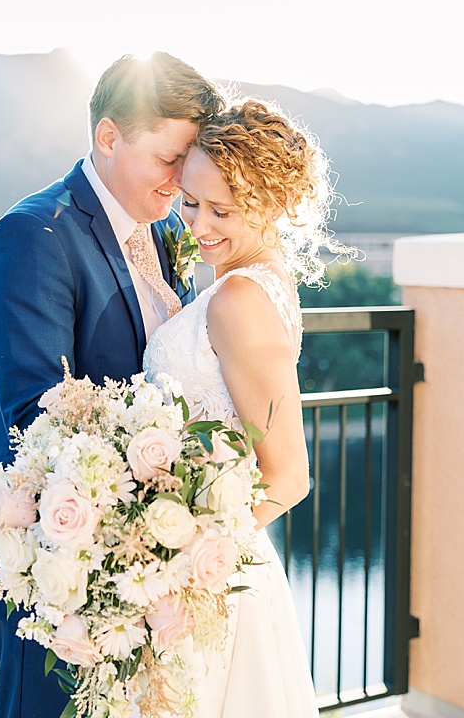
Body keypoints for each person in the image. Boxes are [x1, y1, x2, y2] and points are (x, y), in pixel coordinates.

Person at [0, 53, 225, 718]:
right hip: (52, 565)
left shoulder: (173, 230)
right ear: (108, 137)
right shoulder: (33, 234)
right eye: (169, 157)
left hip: (146, 563)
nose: (181, 179)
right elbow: (39, 410)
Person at [143, 97, 348, 716]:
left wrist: (180, 553)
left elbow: (288, 476)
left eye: (221, 210)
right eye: (191, 202)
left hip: (209, 582)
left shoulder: (239, 299)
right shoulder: (261, 280)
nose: (199, 225)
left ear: (275, 205)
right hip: (221, 568)